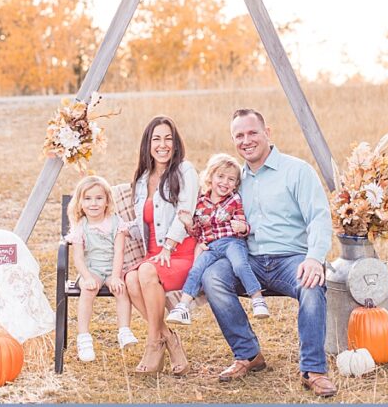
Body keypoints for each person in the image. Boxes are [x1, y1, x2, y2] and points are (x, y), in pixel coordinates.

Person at [200, 109, 336, 397]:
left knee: (312, 284)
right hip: (247, 261)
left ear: (267, 132)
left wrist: (314, 258)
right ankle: (248, 354)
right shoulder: (234, 179)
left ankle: (313, 370)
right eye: (239, 135)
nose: (246, 140)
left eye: (252, 133)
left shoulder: (297, 170)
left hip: (291, 259)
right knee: (212, 277)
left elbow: (319, 217)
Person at [124, 115, 198, 375]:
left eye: (168, 138)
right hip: (154, 257)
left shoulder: (184, 170)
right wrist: (119, 229)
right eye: (156, 139)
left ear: (175, 144)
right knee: (131, 280)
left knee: (144, 272)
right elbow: (142, 223)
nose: (162, 144)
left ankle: (153, 343)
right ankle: (169, 338)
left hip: (180, 253)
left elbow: (185, 210)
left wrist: (168, 245)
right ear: (148, 144)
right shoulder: (143, 179)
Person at [165, 153, 269, 326]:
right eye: (220, 176)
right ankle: (183, 306)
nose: (225, 182)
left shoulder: (234, 200)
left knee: (240, 264)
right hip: (211, 246)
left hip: (232, 242)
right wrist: (189, 224)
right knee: (196, 269)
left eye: (231, 179)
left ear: (236, 184)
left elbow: (243, 222)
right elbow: (198, 231)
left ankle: (257, 299)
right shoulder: (200, 202)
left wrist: (243, 228)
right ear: (210, 177)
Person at [65, 175, 134, 362]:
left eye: (98, 198)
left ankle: (124, 331)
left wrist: (115, 276)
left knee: (121, 289)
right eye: (87, 199)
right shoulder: (81, 226)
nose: (93, 203)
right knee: (89, 289)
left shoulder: (116, 222)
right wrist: (86, 277)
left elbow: (119, 252)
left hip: (114, 268)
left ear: (107, 201)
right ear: (80, 202)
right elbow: (78, 258)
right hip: (91, 269)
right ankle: (84, 338)